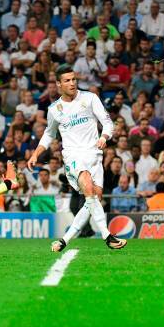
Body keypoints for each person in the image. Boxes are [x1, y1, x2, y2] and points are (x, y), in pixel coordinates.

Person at [27, 65, 127, 252]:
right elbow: (49, 134)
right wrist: (35, 153)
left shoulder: (90, 98)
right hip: (73, 155)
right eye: (67, 80)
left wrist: (104, 137)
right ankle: (107, 236)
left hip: (94, 154)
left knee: (92, 199)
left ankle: (64, 240)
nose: (72, 83)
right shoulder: (54, 109)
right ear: (58, 84)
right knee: (88, 188)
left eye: (73, 79)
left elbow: (107, 123)